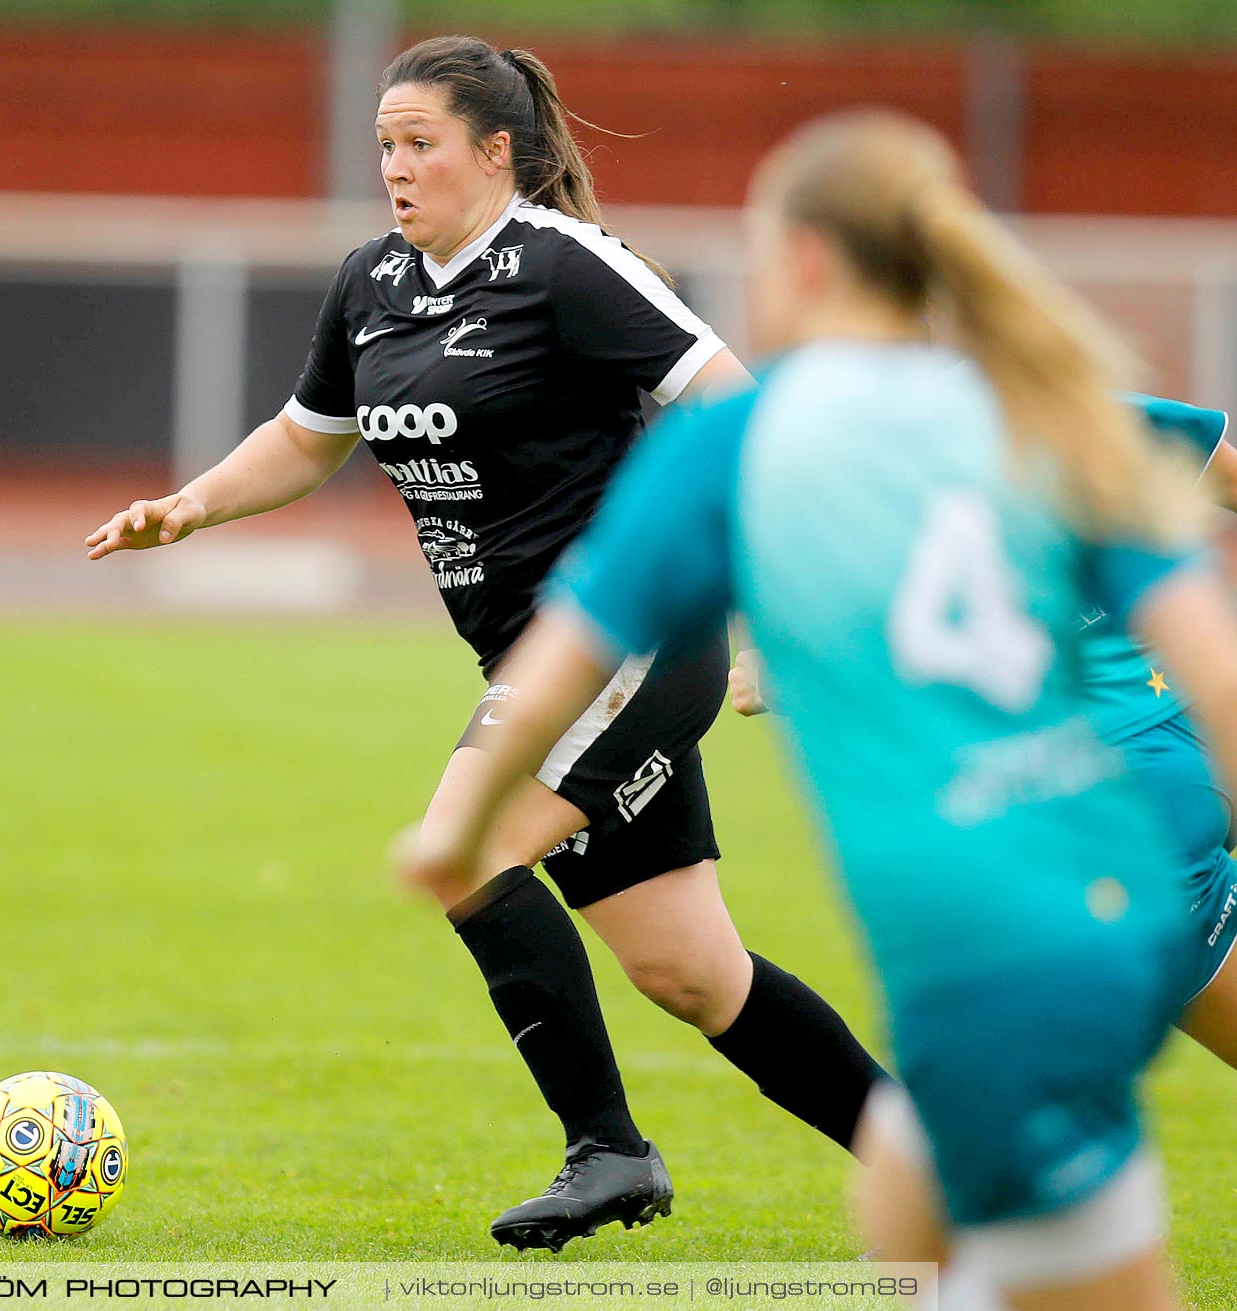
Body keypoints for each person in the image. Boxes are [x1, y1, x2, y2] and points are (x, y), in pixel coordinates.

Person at [400, 108, 1237, 1310]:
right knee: (921, 1207)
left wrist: (456, 828)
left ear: (800, 262)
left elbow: (567, 655)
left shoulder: (739, 443)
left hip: (996, 932)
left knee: (999, 1247)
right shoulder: (1047, 408)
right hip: (1114, 869)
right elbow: (1218, 674)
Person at [87, 35, 885, 1251]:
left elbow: (742, 412)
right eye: (385, 148)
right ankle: (944, 1163)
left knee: (465, 845)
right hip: (529, 659)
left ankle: (608, 1152)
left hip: (632, 634)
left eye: (421, 145)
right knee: (692, 975)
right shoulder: (373, 283)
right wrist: (189, 505)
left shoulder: (566, 267)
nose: (395, 170)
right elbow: (311, 439)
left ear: (496, 152)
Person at [729, 392, 1237, 1076]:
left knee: (1006, 1087)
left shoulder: (872, 477)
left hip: (1116, 790)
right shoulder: (1071, 401)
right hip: (1186, 735)